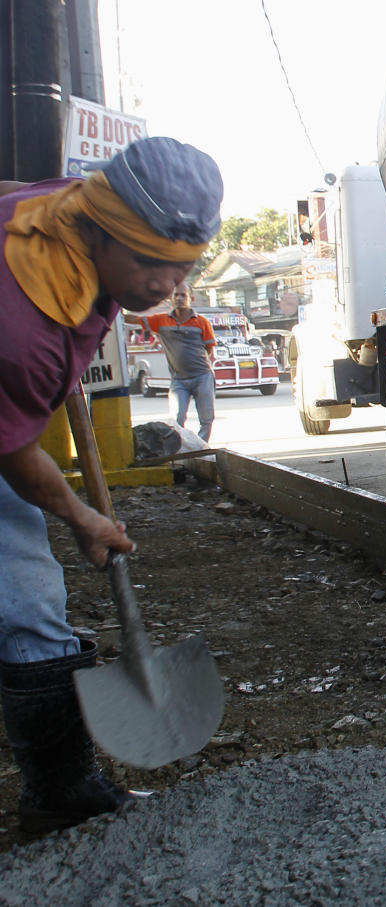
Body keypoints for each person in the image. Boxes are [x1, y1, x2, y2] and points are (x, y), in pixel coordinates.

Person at [0, 137, 223, 831]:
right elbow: (14, 454)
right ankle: (62, 793)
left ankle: (58, 793)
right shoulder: (25, 329)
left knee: (25, 595)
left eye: (181, 266)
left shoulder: (82, 207)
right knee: (28, 590)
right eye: (149, 262)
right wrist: (81, 516)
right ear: (101, 231)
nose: (164, 283)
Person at [124, 282, 216, 441]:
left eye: (183, 295)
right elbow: (135, 319)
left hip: (203, 377)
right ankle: (181, 449)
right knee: (176, 419)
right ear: (171, 299)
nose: (179, 298)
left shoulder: (202, 322)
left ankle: (202, 447)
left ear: (191, 299)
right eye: (176, 295)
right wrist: (113, 311)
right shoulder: (161, 320)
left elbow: (209, 348)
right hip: (179, 380)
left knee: (206, 418)